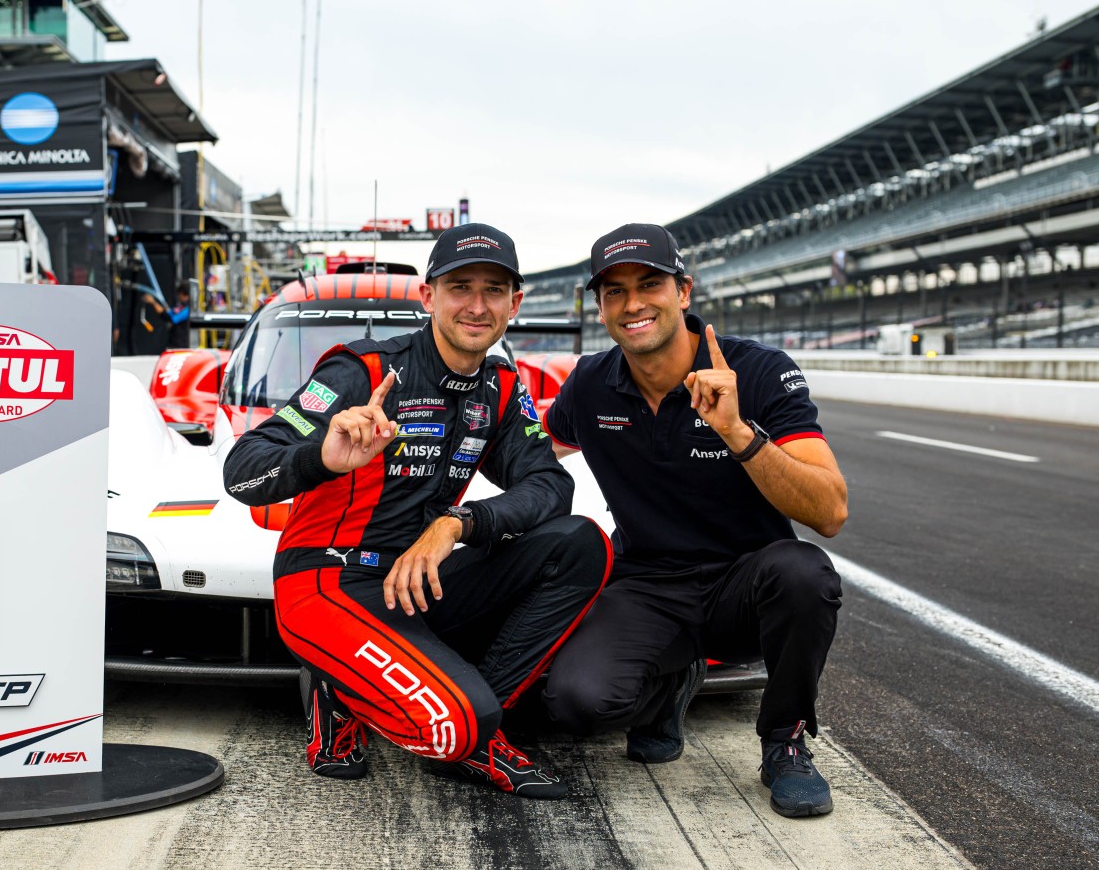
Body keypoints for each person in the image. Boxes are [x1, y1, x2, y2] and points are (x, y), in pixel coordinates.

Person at [223, 223, 611, 799]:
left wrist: (462, 523)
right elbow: (242, 469)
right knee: (450, 726)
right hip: (327, 578)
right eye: (460, 288)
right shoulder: (360, 372)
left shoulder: (502, 387)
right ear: (429, 297)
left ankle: (474, 729)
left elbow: (549, 483)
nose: (476, 306)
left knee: (582, 544)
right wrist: (321, 458)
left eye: (493, 290)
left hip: (415, 577)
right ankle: (347, 692)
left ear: (515, 303)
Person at [541, 223, 848, 818]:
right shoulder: (590, 384)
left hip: (748, 588)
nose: (632, 304)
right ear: (600, 306)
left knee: (806, 573)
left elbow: (830, 510)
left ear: (683, 291)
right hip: (649, 586)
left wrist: (736, 431)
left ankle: (784, 741)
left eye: (649, 284)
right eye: (614, 291)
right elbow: (528, 455)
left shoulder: (757, 372)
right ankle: (667, 687)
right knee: (576, 704)